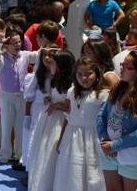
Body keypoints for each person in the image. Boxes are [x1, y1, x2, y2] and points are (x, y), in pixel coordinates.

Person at [97, 49, 137, 191]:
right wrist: (104, 139)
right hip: (109, 151)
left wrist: (115, 145)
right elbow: (102, 115)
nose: (121, 69)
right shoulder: (118, 88)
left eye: (128, 67)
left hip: (134, 154)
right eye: (122, 65)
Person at [54, 57, 108, 191]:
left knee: (93, 175)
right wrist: (60, 140)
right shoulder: (71, 92)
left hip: (93, 139)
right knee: (71, 174)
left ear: (96, 74)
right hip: (72, 138)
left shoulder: (103, 94)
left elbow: (107, 121)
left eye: (88, 74)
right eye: (79, 74)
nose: (84, 78)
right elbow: (69, 117)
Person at [26, 49, 74, 190]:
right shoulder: (54, 79)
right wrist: (50, 100)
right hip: (49, 119)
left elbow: (71, 106)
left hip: (59, 121)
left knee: (52, 152)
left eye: (53, 63)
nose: (50, 65)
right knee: (43, 151)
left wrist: (58, 104)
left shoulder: (70, 85)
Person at [0, 26, 39, 164]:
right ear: (7, 45)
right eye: (14, 43)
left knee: (20, 127)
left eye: (19, 42)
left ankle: (20, 155)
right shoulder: (1, 58)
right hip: (7, 96)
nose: (18, 45)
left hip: (22, 96)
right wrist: (0, 42)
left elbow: (38, 54)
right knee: (6, 126)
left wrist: (49, 48)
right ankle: (5, 155)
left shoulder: (24, 55)